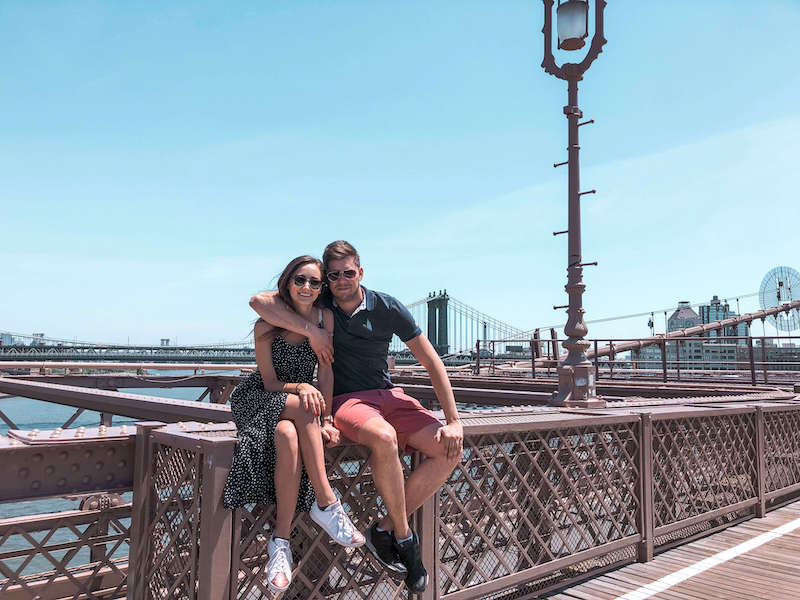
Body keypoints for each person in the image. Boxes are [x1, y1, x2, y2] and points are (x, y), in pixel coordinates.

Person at [249, 241, 463, 593]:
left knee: (447, 448)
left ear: (361, 272)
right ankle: (406, 539)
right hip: (349, 401)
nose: (341, 280)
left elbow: (431, 362)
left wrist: (453, 421)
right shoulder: (322, 304)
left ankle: (383, 529)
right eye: (333, 275)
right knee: (383, 437)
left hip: (390, 395)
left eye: (348, 273)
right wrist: (312, 331)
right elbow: (260, 302)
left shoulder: (388, 307)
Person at [223, 255, 365, 594]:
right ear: (288, 283)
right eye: (300, 280)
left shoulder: (325, 317)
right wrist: (302, 386)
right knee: (301, 407)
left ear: (320, 289)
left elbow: (326, 371)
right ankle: (326, 502)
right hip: (262, 398)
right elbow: (270, 384)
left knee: (287, 435)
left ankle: (280, 543)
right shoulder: (265, 326)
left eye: (315, 283)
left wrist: (328, 417)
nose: (307, 287)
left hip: (302, 411)